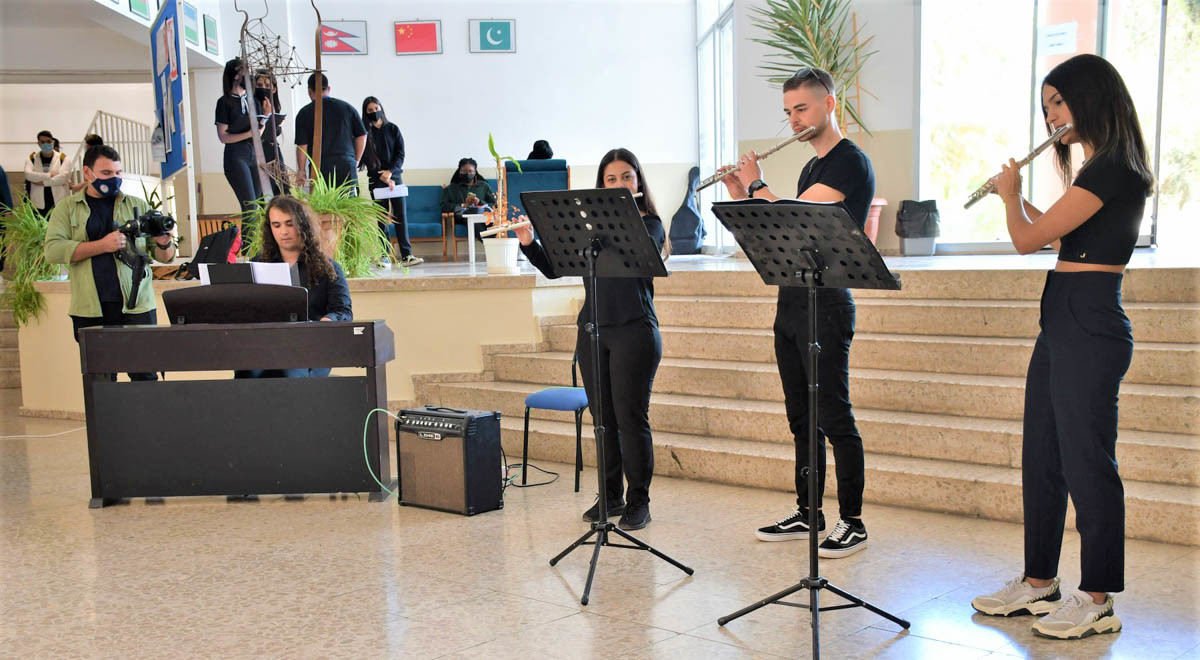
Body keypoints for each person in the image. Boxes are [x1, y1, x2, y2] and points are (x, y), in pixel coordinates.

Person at [971, 54, 1151, 641]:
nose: (1051, 117)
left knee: (1087, 462)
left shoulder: (1114, 169)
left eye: (1058, 102)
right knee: (1043, 455)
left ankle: (1098, 596)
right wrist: (1017, 197)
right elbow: (1049, 229)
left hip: (1091, 320)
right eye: (1046, 106)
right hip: (1062, 318)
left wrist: (1009, 195)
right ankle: (1037, 581)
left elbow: (1026, 238)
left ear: (1091, 98)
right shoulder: (1095, 172)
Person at [721, 67, 874, 558]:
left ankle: (853, 519)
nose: (794, 120)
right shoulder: (811, 167)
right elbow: (775, 237)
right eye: (788, 112)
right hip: (792, 301)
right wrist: (739, 194)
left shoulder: (850, 162)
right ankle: (809, 510)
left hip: (827, 304)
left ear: (829, 103)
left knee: (834, 415)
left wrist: (757, 184)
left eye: (802, 109)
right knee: (800, 418)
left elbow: (799, 219)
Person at [514, 148, 667, 531]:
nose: (619, 184)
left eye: (626, 177)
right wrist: (530, 242)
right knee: (603, 420)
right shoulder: (586, 230)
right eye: (611, 179)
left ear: (638, 181)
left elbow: (638, 260)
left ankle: (639, 501)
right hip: (593, 330)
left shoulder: (650, 225)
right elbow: (555, 268)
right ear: (601, 185)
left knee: (631, 419)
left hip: (635, 330)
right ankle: (610, 494)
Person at [43, 145, 177, 381]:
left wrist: (164, 242)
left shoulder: (139, 205)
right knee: (100, 383)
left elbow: (164, 257)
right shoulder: (67, 208)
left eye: (118, 173)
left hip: (137, 309)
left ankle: (146, 420)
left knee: (146, 379)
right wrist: (101, 245)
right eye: (106, 173)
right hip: (91, 309)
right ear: (88, 173)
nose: (114, 179)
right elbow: (53, 250)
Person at [235, 195, 352, 380]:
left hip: (312, 349)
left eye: (290, 224)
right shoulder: (257, 265)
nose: (284, 231)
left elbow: (343, 311)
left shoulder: (328, 267)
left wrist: (327, 321)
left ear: (303, 225)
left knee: (290, 371)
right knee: (246, 371)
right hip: (266, 347)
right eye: (277, 225)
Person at [361, 96, 421, 267]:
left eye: (376, 108)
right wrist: (380, 174)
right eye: (370, 110)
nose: (374, 112)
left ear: (381, 109)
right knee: (381, 218)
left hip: (394, 177)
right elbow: (364, 157)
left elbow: (400, 154)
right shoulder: (365, 133)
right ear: (366, 113)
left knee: (400, 216)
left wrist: (390, 172)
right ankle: (384, 255)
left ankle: (406, 255)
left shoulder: (393, 128)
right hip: (375, 179)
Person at [214, 58, 268, 217]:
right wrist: (248, 134)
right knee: (249, 206)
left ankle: (252, 241)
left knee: (256, 204)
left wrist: (265, 118)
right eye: (246, 72)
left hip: (253, 154)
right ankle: (247, 242)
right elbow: (223, 136)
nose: (250, 75)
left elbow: (258, 131)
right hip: (236, 155)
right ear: (236, 76)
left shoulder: (254, 101)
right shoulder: (224, 102)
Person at [295, 73, 366, 193]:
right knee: (348, 208)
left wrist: (301, 170)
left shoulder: (304, 113)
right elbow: (362, 135)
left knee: (321, 210)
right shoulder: (347, 108)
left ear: (309, 91)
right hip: (346, 165)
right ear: (328, 89)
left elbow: (302, 146)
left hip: (319, 166)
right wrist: (356, 161)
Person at [440, 158, 496, 237]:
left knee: (494, 225)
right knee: (474, 223)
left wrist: (480, 202)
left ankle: (492, 245)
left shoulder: (484, 186)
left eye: (470, 171)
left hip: (483, 215)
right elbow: (444, 206)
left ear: (475, 172)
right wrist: (463, 205)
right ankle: (491, 245)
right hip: (464, 217)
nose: (467, 174)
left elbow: (494, 204)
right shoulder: (451, 188)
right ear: (459, 172)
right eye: (464, 171)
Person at [253, 69, 287, 196]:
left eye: (268, 85)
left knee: (282, 190)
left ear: (274, 89)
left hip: (274, 153)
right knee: (263, 193)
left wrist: (277, 122)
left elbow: (275, 132)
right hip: (258, 154)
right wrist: (265, 116)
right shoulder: (253, 106)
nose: (264, 88)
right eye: (260, 85)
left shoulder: (275, 105)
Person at [24, 130, 72, 217]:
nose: (46, 144)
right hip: (38, 204)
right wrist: (50, 175)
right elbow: (28, 175)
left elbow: (63, 178)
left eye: (48, 141)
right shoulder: (32, 158)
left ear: (53, 142)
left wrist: (42, 182)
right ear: (38, 144)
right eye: (43, 142)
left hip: (59, 202)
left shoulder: (63, 158)